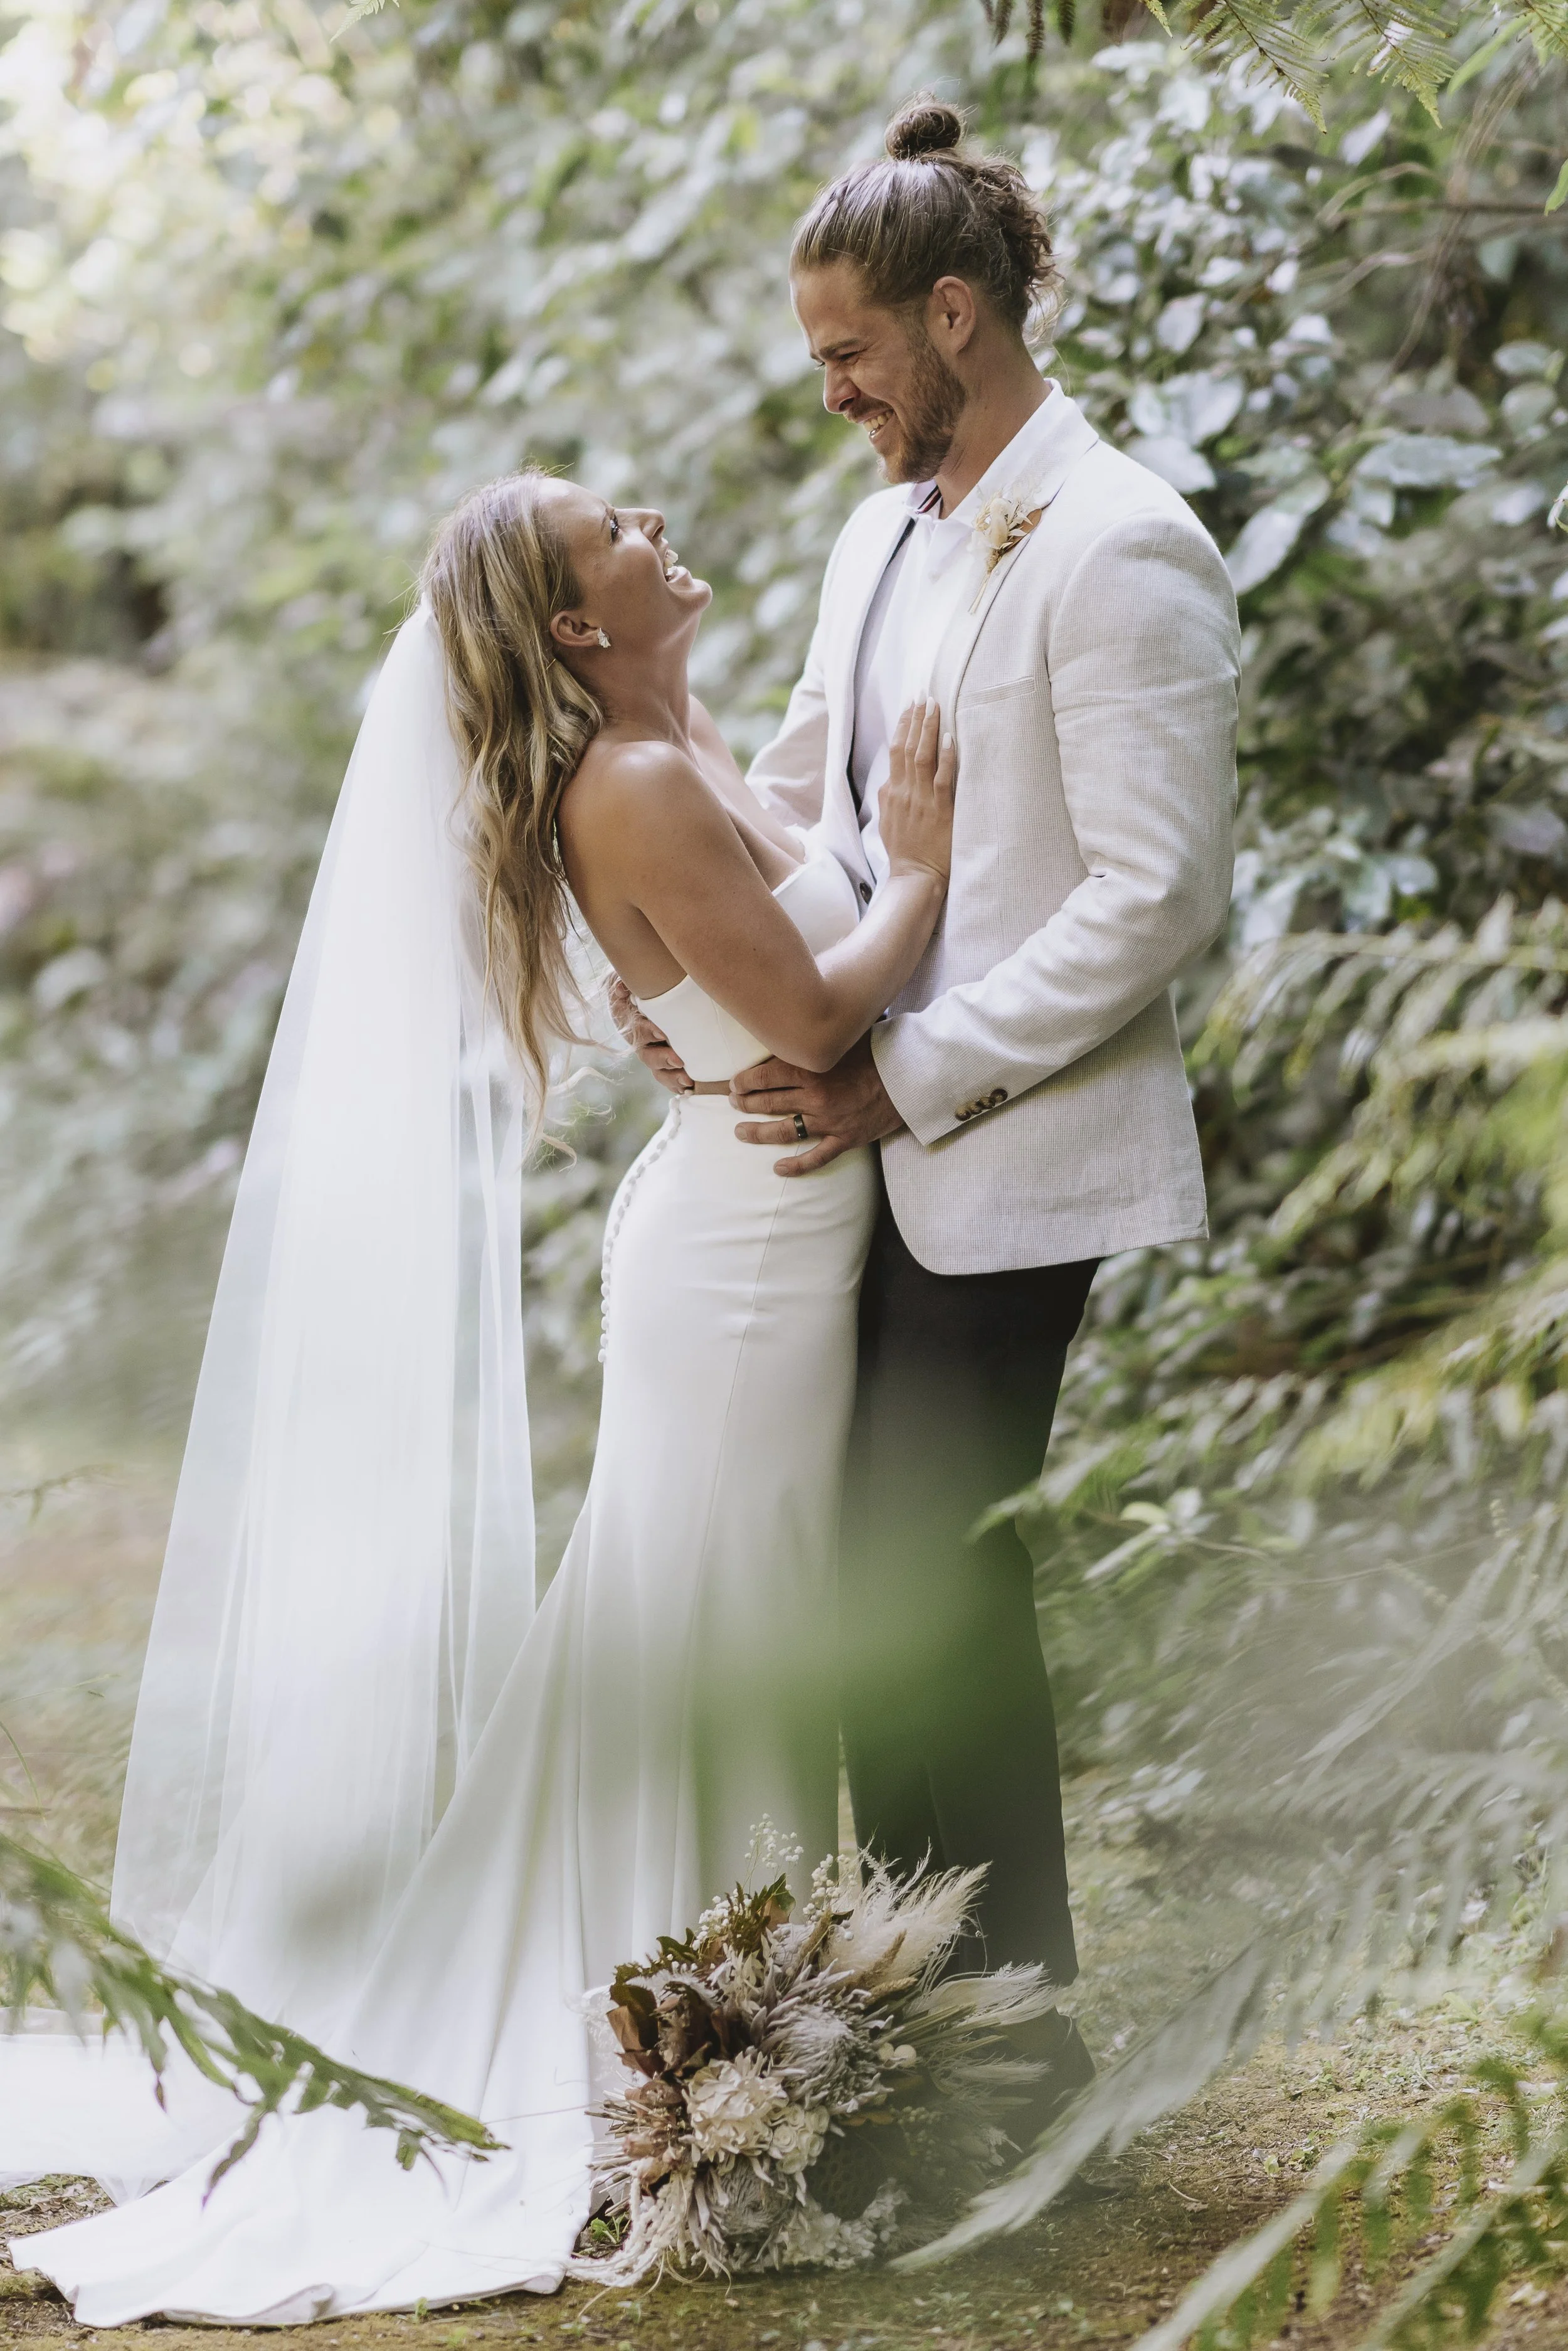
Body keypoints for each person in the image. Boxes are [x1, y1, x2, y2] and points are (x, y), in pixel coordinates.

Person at [1, 471, 956, 2322]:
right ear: (578, 624)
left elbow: (748, 958)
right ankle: (692, 2027)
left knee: (696, 1603)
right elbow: (824, 1018)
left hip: (752, 1230)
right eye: (615, 522)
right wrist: (910, 865)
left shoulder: (663, 749)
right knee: (713, 1603)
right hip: (745, 1262)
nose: (660, 513)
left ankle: (707, 2005)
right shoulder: (636, 786)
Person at [623, 96, 1240, 2115]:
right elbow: (795, 786)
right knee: (863, 1577)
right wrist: (711, 991)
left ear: (953, 315)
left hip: (1011, 1153)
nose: (829, 395)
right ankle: (900, 2010)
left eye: (848, 355)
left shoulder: (1124, 542)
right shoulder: (877, 525)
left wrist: (901, 1075)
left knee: (927, 1570)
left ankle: (1002, 2035)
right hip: (841, 1141)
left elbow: (1150, 894)